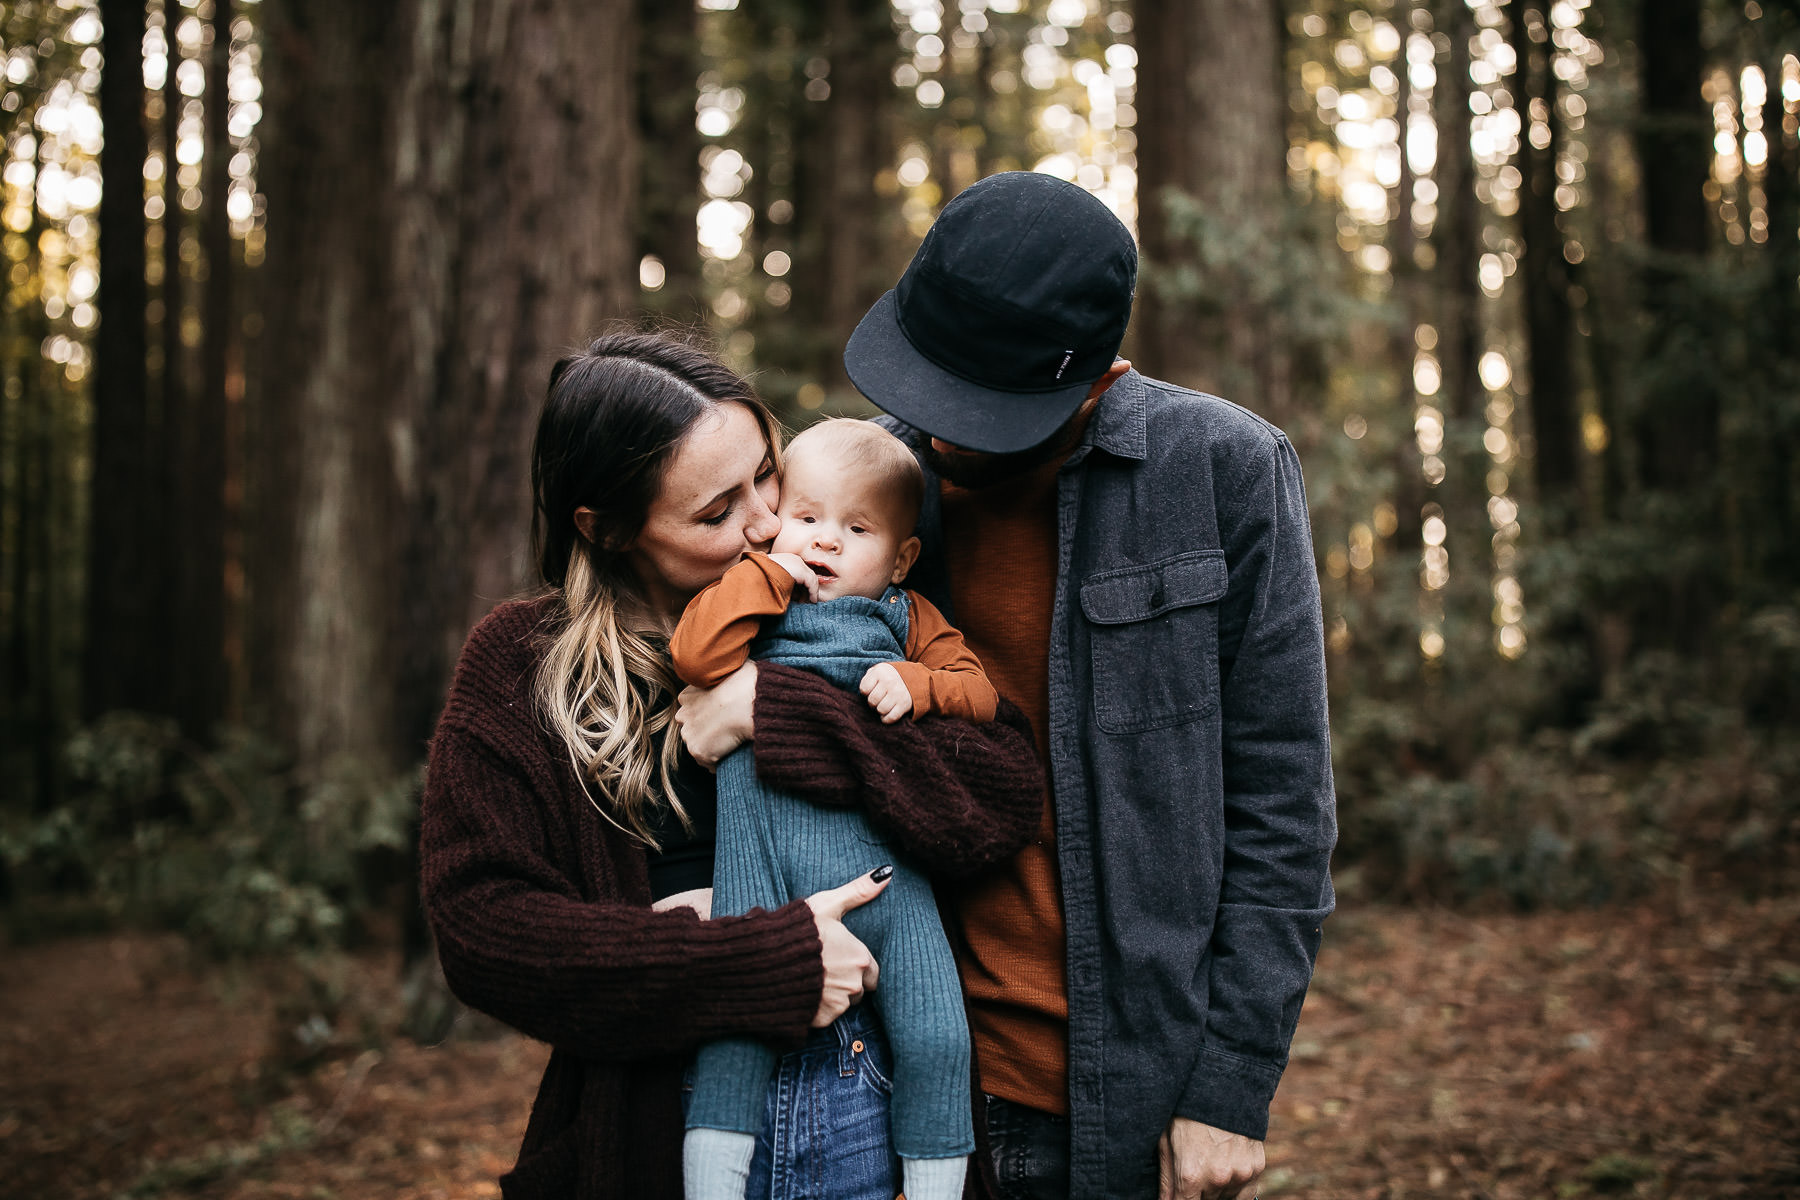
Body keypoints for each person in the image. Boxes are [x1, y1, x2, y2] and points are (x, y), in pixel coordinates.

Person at [678, 172, 1338, 1200]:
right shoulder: (880, 489)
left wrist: (1230, 1085)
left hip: (1116, 1089)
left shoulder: (1224, 472)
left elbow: (1282, 805)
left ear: (1086, 377)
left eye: (972, 403)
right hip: (885, 1051)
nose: (934, 429)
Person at [418, 331, 1045, 1200]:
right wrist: (743, 954)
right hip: (661, 1123)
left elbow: (1000, 798)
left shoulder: (853, 595)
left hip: (871, 1097)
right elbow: (484, 932)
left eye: (767, 475)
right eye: (716, 513)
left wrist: (782, 713)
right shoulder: (524, 665)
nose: (764, 525)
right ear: (608, 530)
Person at [673, 419, 1000, 1200]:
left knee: (937, 1033)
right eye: (807, 516)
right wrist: (764, 574)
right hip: (761, 865)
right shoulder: (752, 599)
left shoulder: (909, 617)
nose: (822, 541)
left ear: (901, 556)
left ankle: (934, 1186)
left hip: (888, 875)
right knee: (735, 1039)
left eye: (856, 529)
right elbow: (697, 656)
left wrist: (923, 686)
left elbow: (981, 694)